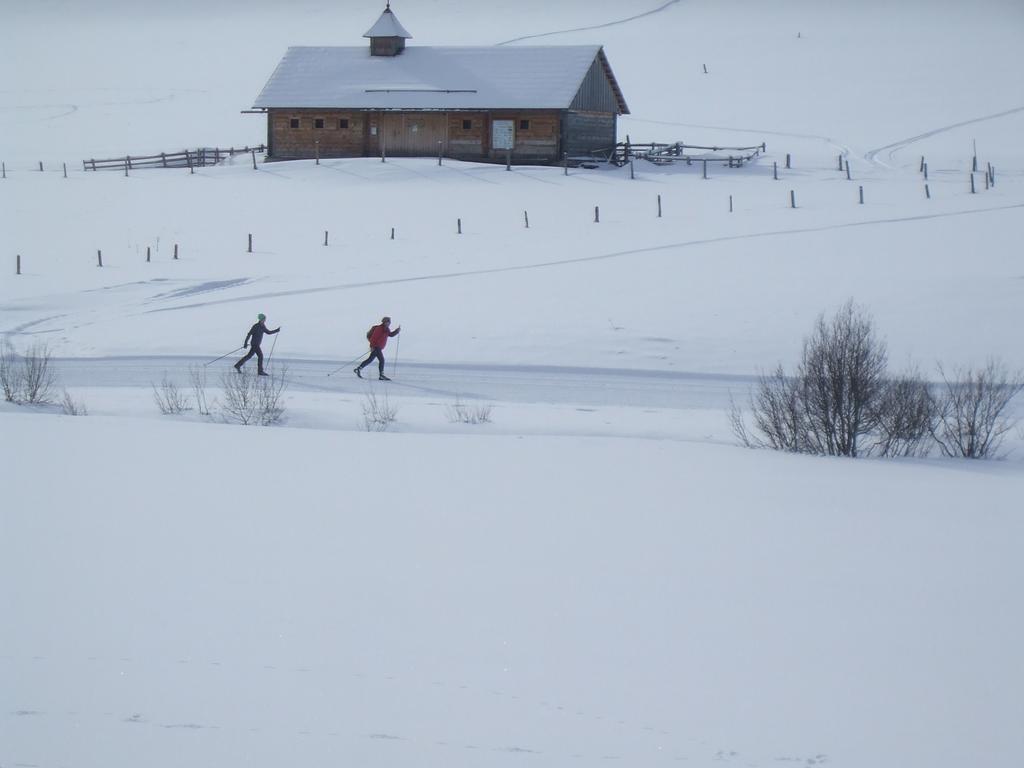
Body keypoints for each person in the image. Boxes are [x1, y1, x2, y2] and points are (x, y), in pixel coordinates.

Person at [355, 316, 401, 380]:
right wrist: (372, 346)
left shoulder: (387, 329)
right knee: (381, 360)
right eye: (387, 322)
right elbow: (373, 338)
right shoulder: (379, 328)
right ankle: (381, 375)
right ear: (384, 322)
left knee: (370, 360)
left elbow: (390, 335)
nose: (388, 323)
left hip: (378, 347)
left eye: (389, 322)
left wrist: (397, 331)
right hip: (376, 347)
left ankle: (358, 369)